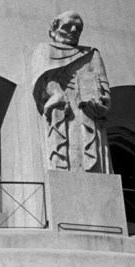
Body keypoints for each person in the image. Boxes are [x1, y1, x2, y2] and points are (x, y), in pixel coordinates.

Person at [31, 11, 111, 172]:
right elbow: (42, 79)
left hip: (88, 113)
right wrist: (55, 92)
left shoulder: (92, 54)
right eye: (68, 26)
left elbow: (104, 89)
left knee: (92, 157)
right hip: (62, 110)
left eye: (78, 28)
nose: (74, 30)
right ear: (54, 29)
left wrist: (103, 103)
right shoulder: (44, 50)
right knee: (64, 156)